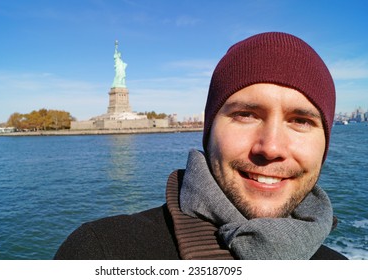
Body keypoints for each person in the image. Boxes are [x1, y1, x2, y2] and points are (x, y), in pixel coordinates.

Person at [54, 32, 347, 260]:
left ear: (325, 144)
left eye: (301, 121)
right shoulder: (99, 252)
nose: (270, 147)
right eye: (245, 114)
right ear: (208, 131)